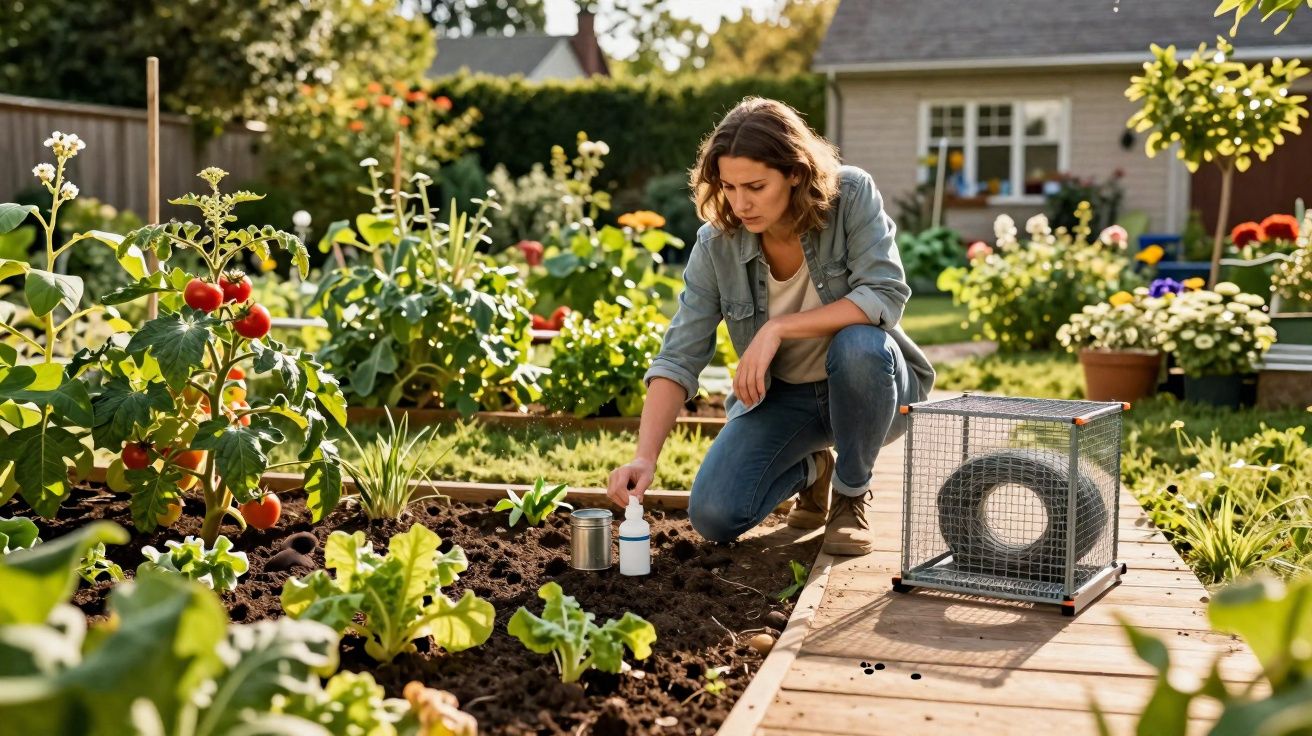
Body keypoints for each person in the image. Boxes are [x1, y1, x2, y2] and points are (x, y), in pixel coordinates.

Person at [605, 97, 935, 556]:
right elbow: (680, 355)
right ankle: (814, 469)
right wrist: (644, 456)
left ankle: (850, 494)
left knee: (861, 344)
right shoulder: (715, 245)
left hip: (870, 388)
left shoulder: (851, 196)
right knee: (715, 515)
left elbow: (884, 294)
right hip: (785, 399)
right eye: (729, 187)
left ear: (795, 172)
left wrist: (776, 328)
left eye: (756, 186)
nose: (740, 203)